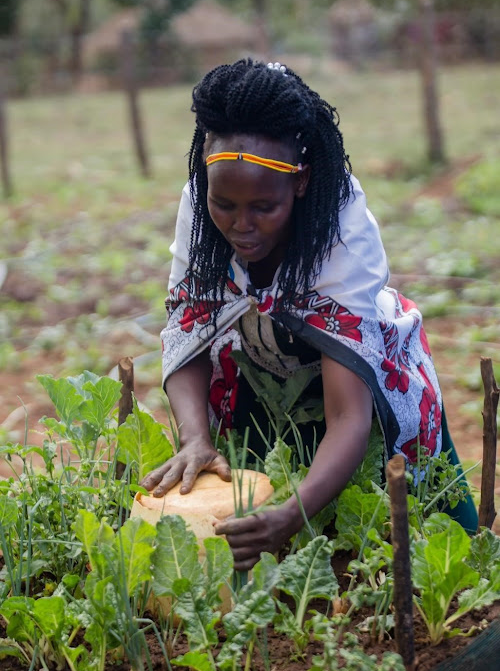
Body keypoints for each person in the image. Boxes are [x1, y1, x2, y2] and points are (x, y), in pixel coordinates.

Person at [142, 58, 477, 569]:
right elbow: (191, 327)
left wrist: (292, 514)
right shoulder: (202, 198)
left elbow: (349, 415)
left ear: (299, 184)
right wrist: (195, 439)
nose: (240, 224)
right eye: (224, 204)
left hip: (358, 367)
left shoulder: (342, 228)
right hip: (258, 351)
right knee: (250, 493)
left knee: (409, 536)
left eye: (263, 207)